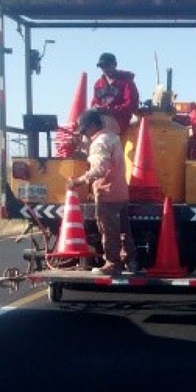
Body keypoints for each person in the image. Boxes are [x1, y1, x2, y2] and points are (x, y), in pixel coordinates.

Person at [66, 108, 137, 275]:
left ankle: (112, 263)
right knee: (124, 230)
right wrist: (84, 145)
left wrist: (77, 181)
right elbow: (102, 155)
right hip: (121, 192)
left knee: (109, 231)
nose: (84, 134)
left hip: (107, 193)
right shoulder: (113, 137)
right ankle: (131, 261)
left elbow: (99, 168)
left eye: (84, 130)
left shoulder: (99, 143)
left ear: (92, 125)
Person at [90, 52, 140, 134]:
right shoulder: (98, 84)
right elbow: (94, 104)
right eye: (102, 67)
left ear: (115, 64)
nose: (105, 69)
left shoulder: (126, 82)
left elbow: (132, 105)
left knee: (99, 125)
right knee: (86, 123)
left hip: (120, 121)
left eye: (107, 66)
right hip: (101, 120)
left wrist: (110, 110)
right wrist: (95, 109)